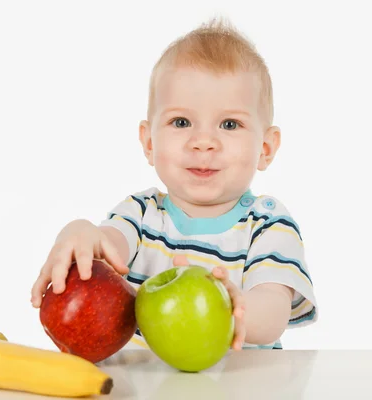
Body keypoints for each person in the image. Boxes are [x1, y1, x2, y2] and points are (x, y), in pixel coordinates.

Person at [31, 18, 318, 351]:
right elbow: (107, 249)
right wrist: (79, 231)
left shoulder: (268, 226)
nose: (203, 141)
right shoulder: (140, 215)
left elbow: (272, 314)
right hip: (147, 384)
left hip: (242, 384)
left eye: (229, 124)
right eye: (181, 122)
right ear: (149, 143)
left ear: (265, 149)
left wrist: (232, 307)